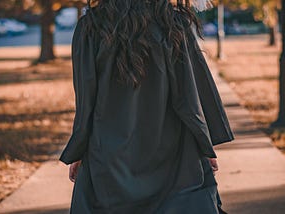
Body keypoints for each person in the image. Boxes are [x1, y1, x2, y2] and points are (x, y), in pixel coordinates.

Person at [59, 0, 234, 213]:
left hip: (109, 153)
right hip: (173, 153)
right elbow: (189, 95)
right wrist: (204, 145)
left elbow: (86, 99)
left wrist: (79, 149)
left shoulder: (91, 27)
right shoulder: (172, 23)